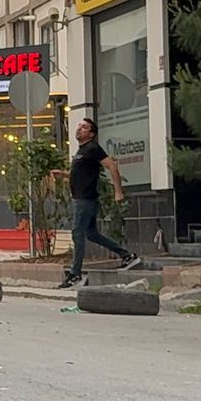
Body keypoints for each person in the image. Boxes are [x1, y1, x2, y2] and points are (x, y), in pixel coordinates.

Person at [52, 118, 143, 289]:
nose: (79, 129)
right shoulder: (82, 151)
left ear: (91, 134)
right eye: (79, 126)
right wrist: (64, 175)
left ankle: (75, 275)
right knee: (92, 234)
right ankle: (127, 256)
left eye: (84, 127)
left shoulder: (93, 148)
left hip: (85, 200)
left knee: (77, 233)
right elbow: (80, 174)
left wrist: (118, 191)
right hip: (82, 199)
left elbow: (112, 166)